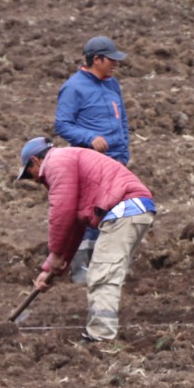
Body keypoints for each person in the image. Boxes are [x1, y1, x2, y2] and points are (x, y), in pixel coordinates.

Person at [16, 137, 155, 343]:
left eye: (30, 174)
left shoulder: (56, 162)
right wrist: (53, 269)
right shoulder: (67, 161)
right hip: (132, 209)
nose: (35, 181)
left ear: (36, 161)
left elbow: (61, 212)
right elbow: (74, 226)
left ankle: (100, 338)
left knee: (103, 274)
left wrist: (54, 254)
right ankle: (101, 333)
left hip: (124, 209)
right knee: (104, 271)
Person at [54, 35, 132, 282]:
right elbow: (62, 125)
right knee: (93, 213)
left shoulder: (112, 84)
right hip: (91, 162)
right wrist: (89, 137)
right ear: (96, 59)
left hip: (116, 160)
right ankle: (81, 267)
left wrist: (124, 148)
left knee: (116, 212)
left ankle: (108, 263)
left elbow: (123, 120)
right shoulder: (73, 88)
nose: (115, 65)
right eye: (110, 60)